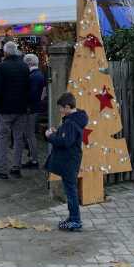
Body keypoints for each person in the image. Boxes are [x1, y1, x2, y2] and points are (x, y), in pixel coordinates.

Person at [45, 93, 87, 231]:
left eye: (61, 108)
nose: (60, 111)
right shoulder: (75, 120)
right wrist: (59, 132)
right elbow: (68, 137)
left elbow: (65, 142)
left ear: (68, 107)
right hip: (71, 160)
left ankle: (75, 221)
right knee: (70, 190)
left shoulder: (71, 122)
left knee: (71, 192)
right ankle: (72, 217)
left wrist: (50, 136)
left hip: (69, 162)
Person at [0, 41, 30, 179]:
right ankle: (16, 167)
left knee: (2, 139)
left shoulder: (1, 67)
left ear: (5, 52)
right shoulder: (25, 67)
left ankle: (2, 169)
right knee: (18, 139)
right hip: (21, 108)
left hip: (5, 108)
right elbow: (28, 88)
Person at [17, 54, 45, 170]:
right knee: (29, 134)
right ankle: (33, 158)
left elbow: (32, 95)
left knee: (29, 134)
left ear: (28, 63)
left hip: (31, 109)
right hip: (34, 108)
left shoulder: (33, 76)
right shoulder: (38, 74)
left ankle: (34, 160)